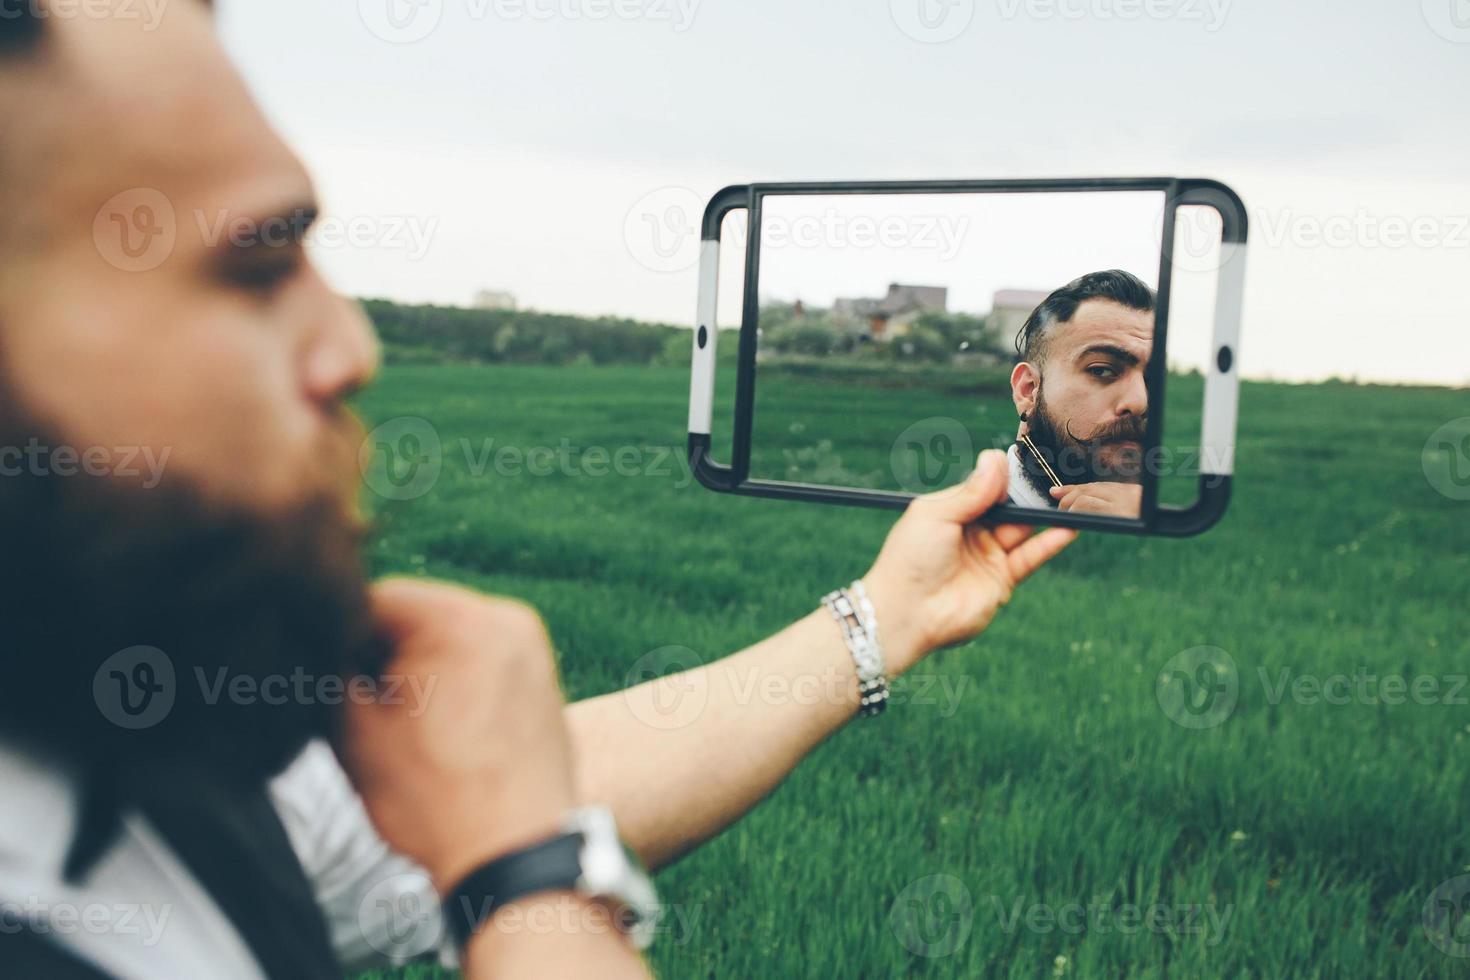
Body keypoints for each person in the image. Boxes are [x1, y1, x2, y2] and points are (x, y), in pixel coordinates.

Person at [0, 3, 1076, 976]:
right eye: (256, 265)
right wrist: (528, 888)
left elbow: (477, 799)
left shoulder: (130, 757)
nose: (351, 347)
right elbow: (502, 835)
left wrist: (887, 615)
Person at [1005, 270, 1155, 518]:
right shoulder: (951, 523)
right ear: (1028, 391)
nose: (1140, 401)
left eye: (1153, 380)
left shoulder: (1173, 517)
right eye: (1102, 370)